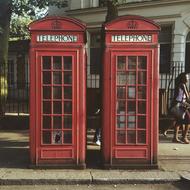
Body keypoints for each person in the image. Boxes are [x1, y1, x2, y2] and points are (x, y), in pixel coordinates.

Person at [170, 72, 190, 144]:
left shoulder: (180, 84)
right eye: (187, 77)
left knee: (179, 121)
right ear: (183, 79)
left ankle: (175, 138)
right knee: (188, 119)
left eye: (188, 77)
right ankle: (184, 137)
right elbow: (187, 98)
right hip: (178, 105)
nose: (188, 78)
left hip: (177, 105)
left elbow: (183, 98)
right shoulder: (182, 85)